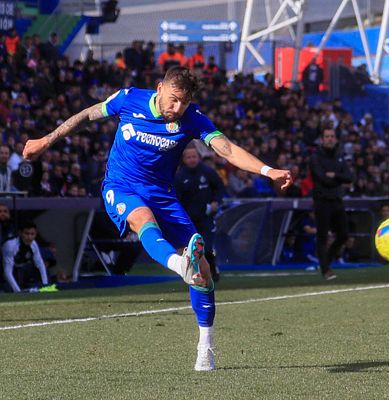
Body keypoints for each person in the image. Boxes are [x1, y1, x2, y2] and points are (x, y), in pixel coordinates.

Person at [23, 66, 293, 371]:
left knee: (203, 272)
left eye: (184, 103)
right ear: (159, 88)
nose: (177, 108)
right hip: (121, 187)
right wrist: (47, 140)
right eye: (174, 100)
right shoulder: (128, 99)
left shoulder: (192, 119)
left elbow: (227, 149)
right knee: (143, 220)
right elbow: (87, 115)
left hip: (163, 195)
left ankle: (206, 347)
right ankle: (180, 265)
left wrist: (269, 171)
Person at [175, 146, 225, 282]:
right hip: (188, 219)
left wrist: (216, 201)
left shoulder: (208, 172)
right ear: (184, 159)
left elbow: (220, 187)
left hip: (206, 217)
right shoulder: (179, 176)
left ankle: (213, 270)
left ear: (198, 157)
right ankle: (194, 274)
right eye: (188, 157)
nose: (191, 160)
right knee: (191, 250)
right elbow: (176, 198)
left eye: (194, 157)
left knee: (207, 247)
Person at [310, 128, 353, 280]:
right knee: (322, 236)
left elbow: (349, 177)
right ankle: (325, 270)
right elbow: (322, 179)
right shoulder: (315, 157)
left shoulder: (339, 156)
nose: (330, 139)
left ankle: (325, 261)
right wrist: (338, 178)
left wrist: (335, 175)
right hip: (322, 201)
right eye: (327, 136)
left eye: (332, 136)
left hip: (337, 200)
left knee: (343, 235)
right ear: (322, 139)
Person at [2, 222, 50, 293]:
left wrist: (45, 286)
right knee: (9, 289)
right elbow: (7, 272)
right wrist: (18, 292)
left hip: (20, 268)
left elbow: (40, 265)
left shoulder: (33, 244)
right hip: (4, 269)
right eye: (26, 234)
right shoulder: (10, 246)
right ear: (20, 233)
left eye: (32, 234)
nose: (29, 237)